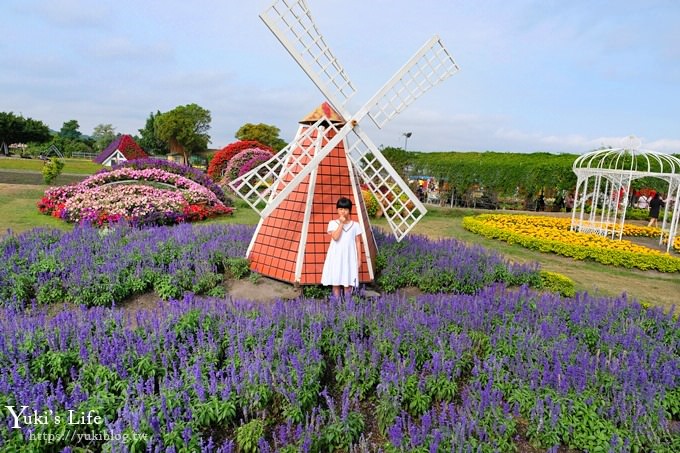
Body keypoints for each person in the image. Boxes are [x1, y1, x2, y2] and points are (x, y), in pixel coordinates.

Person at [321, 197, 363, 299]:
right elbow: (335, 237)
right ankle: (336, 306)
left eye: (345, 209)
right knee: (335, 282)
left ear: (349, 210)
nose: (342, 211)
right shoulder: (332, 223)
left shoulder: (356, 225)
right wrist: (341, 223)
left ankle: (347, 307)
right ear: (337, 210)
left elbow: (358, 242)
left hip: (349, 257)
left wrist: (359, 259)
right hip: (336, 256)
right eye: (340, 209)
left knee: (348, 283)